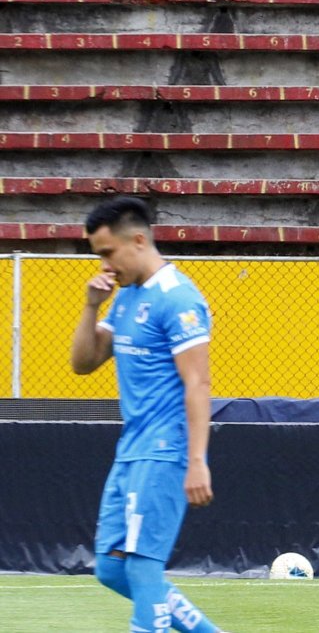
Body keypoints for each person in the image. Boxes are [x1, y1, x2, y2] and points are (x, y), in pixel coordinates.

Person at [71, 196, 228, 633]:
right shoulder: (125, 299)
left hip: (165, 450)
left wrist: (197, 460)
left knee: (142, 567)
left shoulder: (178, 298)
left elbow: (198, 383)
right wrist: (90, 306)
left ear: (138, 240)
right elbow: (82, 364)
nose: (104, 264)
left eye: (107, 253)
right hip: (131, 451)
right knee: (110, 568)